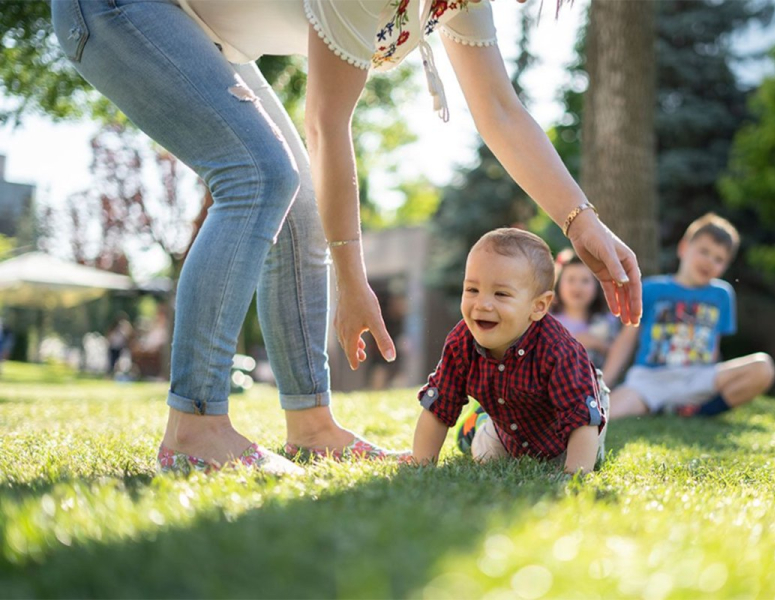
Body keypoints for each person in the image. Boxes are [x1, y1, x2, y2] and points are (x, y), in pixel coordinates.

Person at [51, 0, 640, 475]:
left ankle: (311, 427)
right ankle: (195, 427)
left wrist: (581, 221)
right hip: (120, 10)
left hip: (201, 30)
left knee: (299, 197)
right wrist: (352, 283)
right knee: (261, 173)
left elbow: (500, 111)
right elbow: (326, 124)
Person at [411, 229, 609, 475]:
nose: (482, 304)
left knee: (584, 457)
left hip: (569, 429)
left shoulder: (560, 350)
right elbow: (438, 406)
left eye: (501, 294)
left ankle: (481, 420)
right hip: (509, 429)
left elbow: (581, 419)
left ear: (538, 307)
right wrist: (420, 464)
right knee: (486, 456)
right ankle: (478, 424)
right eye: (472, 290)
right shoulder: (461, 342)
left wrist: (575, 477)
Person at [602, 213, 775, 419]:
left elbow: (714, 346)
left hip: (698, 378)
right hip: (650, 380)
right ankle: (664, 406)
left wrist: (715, 379)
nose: (709, 261)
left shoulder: (722, 295)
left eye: (719, 259)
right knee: (604, 413)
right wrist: (604, 384)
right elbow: (626, 341)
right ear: (684, 248)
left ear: (725, 266)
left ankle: (698, 412)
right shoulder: (651, 289)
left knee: (763, 367)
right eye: (704, 251)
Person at [552, 249, 621, 369]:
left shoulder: (608, 320)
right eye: (571, 280)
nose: (577, 287)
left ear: (597, 286)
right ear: (558, 284)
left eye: (585, 280)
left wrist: (597, 344)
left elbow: (620, 353)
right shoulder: (549, 320)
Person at [106, 311, 134, 377]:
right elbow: (109, 336)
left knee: (123, 361)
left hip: (122, 347)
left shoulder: (126, 327)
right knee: (112, 362)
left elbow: (129, 335)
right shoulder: (113, 327)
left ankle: (123, 374)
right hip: (114, 347)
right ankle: (110, 374)